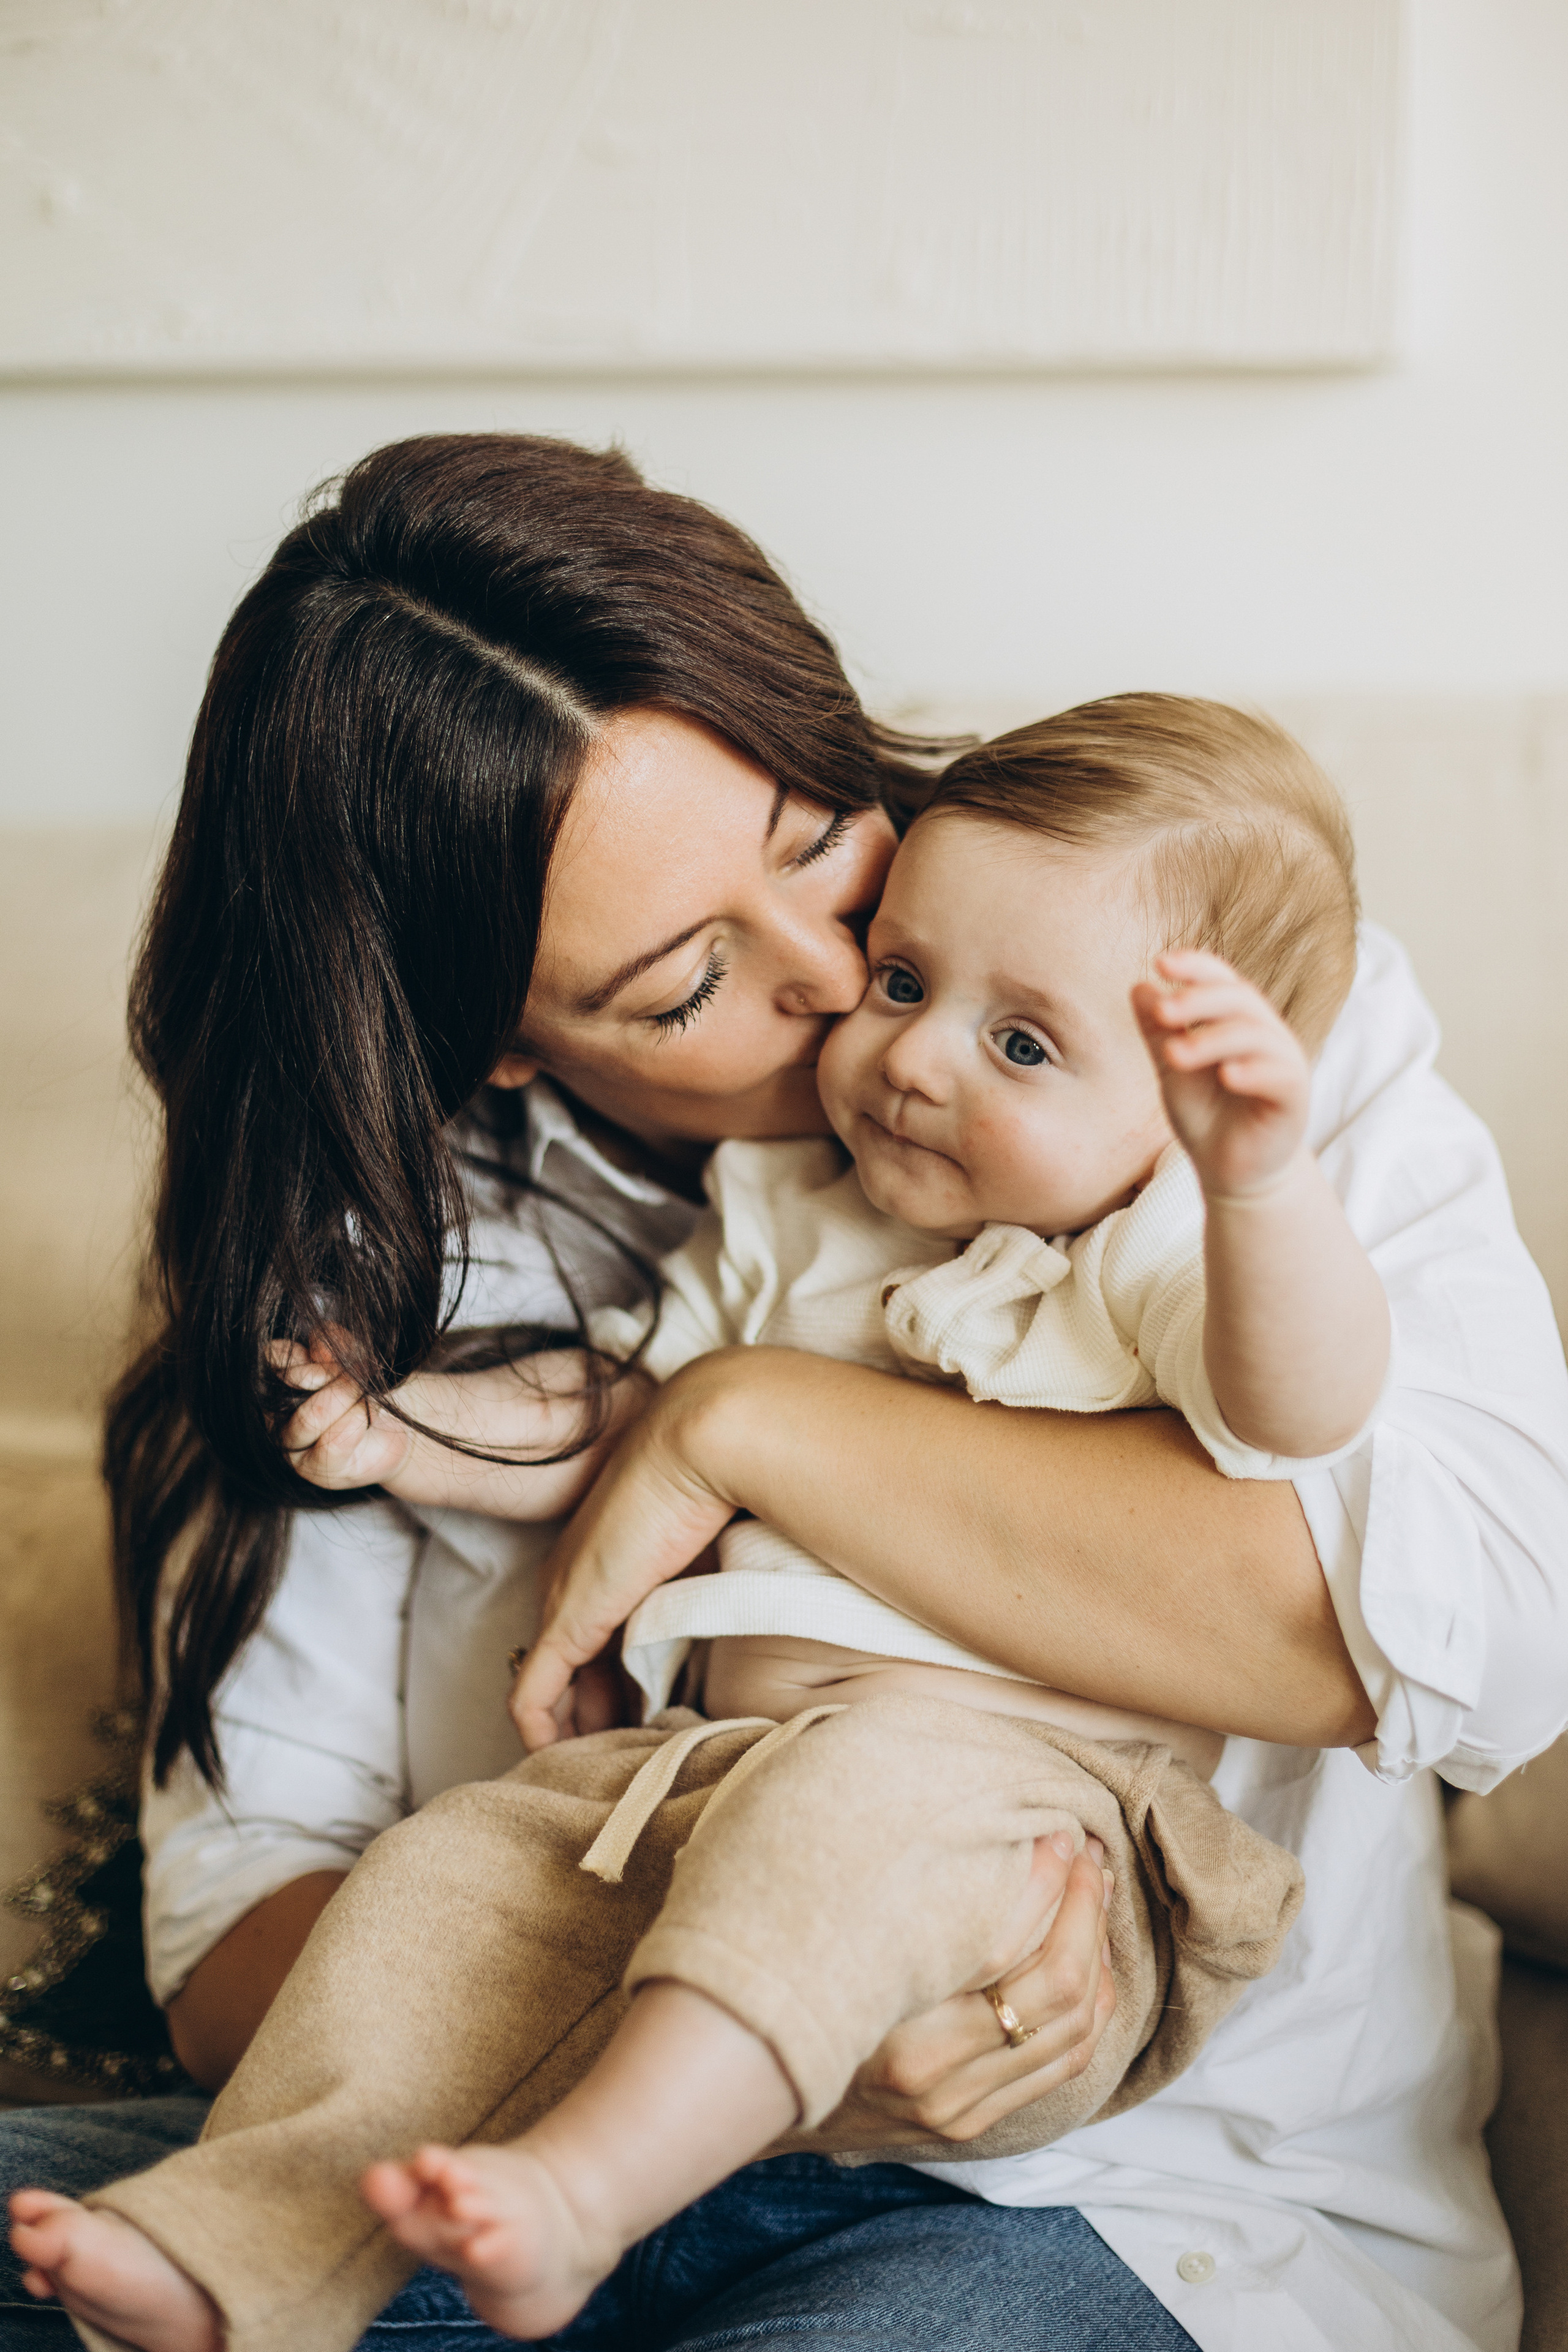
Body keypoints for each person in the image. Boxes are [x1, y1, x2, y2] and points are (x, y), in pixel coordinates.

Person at [2, 434, 1564, 2352]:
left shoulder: (1189, 1010)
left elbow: (1451, 1631)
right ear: (489, 1047)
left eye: (825, 835)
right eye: (687, 985)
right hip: (526, 2100)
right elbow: (241, 1921)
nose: (851, 992)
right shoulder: (423, 1247)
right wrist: (740, 2044)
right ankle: (278, 2253)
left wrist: (752, 1424)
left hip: (1115, 2197)